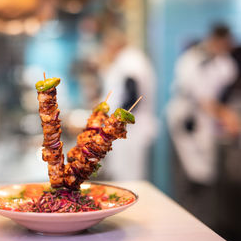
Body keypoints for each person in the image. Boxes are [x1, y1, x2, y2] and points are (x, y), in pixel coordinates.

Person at [168, 24, 240, 186]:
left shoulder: (224, 62)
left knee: (206, 174)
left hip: (207, 123)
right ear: (213, 40)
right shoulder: (190, 60)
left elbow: (227, 91)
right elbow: (202, 99)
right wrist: (227, 116)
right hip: (186, 120)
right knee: (189, 175)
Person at [99, 28, 157, 181]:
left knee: (131, 177)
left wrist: (118, 120)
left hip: (131, 130)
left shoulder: (130, 59)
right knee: (124, 173)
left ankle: (134, 205)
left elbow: (132, 92)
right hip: (128, 130)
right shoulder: (126, 59)